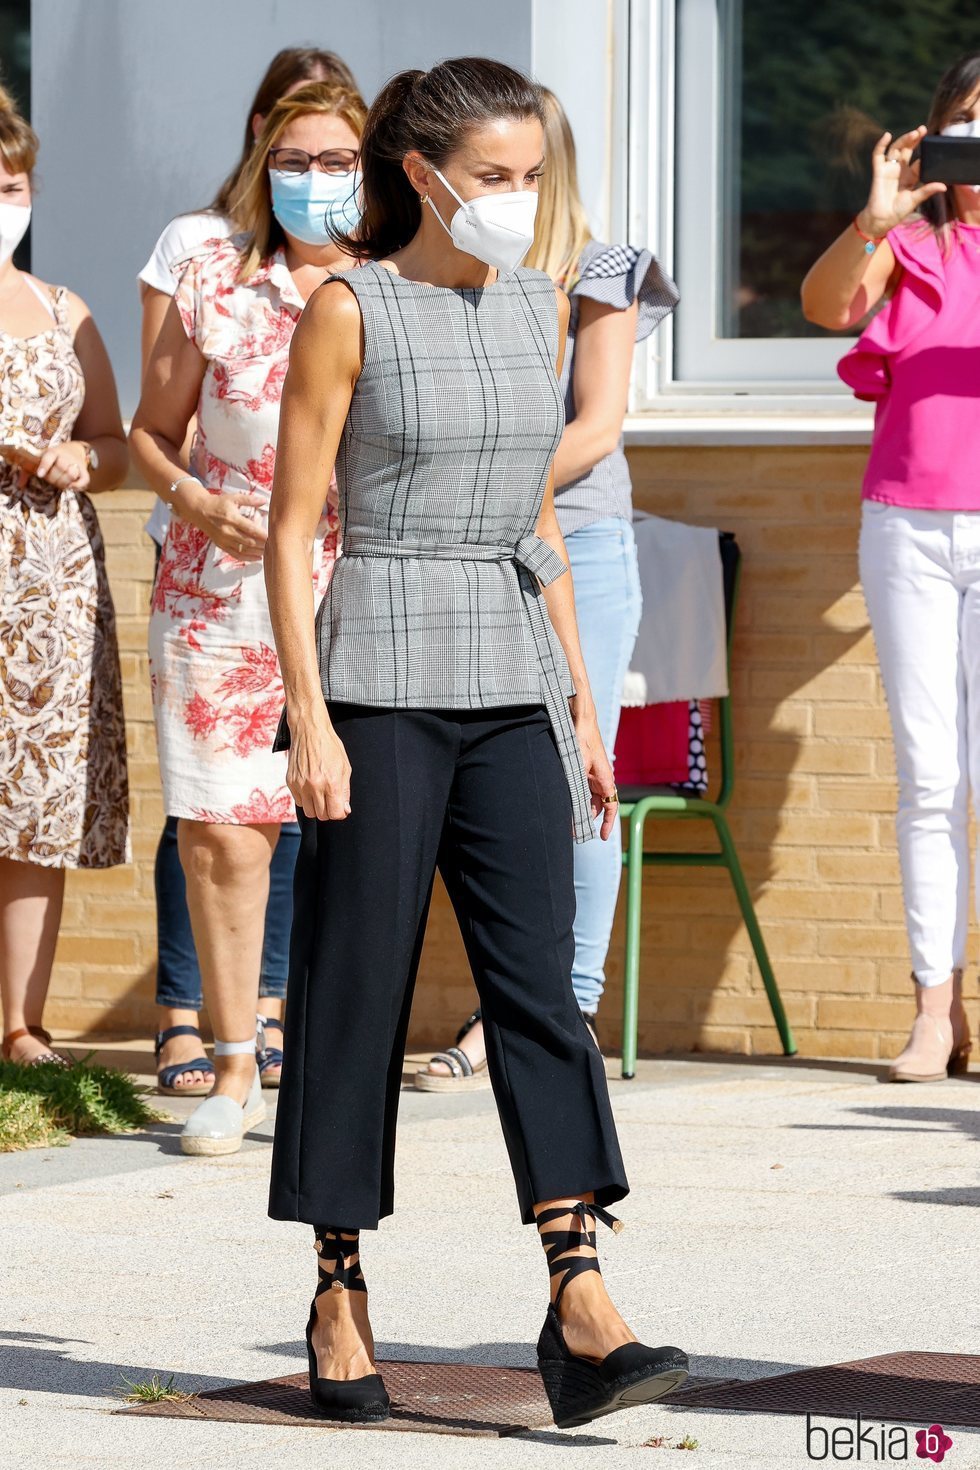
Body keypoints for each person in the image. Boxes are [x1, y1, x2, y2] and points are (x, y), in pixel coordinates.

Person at [264, 57, 689, 1429]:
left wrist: (581, 699)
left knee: (537, 992)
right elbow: (290, 529)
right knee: (356, 984)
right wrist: (311, 718)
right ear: (422, 176)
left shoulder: (529, 310)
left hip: (510, 665)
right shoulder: (348, 306)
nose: (519, 201)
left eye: (532, 178)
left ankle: (580, 1294)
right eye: (495, 178)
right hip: (378, 670)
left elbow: (538, 519)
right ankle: (338, 1282)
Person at [415, 86, 679, 1089]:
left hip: (582, 542)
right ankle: (514, 1000)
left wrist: (489, 478)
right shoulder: (451, 268)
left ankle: (556, 1011)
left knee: (579, 775)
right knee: (491, 787)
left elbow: (597, 424)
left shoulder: (604, 266)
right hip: (464, 548)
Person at [130, 78, 365, 1153]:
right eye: (296, 158)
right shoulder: (212, 275)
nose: (315, 180)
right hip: (218, 596)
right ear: (260, 163)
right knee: (224, 836)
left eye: (336, 160)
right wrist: (193, 498)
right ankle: (232, 1069)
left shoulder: (392, 281)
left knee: (354, 831)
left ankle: (326, 1061)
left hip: (355, 585)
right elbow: (148, 432)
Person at [802, 51, 980, 1083]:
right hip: (905, 527)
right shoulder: (908, 246)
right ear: (935, 135)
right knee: (926, 779)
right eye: (967, 118)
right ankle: (931, 1013)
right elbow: (828, 306)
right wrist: (876, 210)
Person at [0, 86, 130, 1064]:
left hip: (48, 586)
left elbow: (118, 446)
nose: (7, 198)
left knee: (33, 803)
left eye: (13, 181)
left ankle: (21, 1027)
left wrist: (83, 460)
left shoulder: (63, 306)